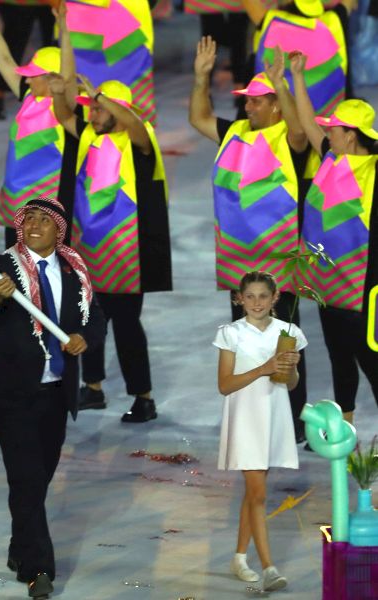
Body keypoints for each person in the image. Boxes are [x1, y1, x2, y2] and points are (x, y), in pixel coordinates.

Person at [0, 197, 104, 599]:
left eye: (43, 220)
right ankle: (38, 569)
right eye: (28, 218)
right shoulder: (4, 263)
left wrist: (85, 337)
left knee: (35, 481)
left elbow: (95, 318)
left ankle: (19, 545)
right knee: (27, 478)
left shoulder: (74, 269)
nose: (32, 224)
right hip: (10, 393)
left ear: (58, 231)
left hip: (55, 394)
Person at [190, 36, 311, 441]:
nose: (248, 105)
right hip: (240, 262)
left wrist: (282, 84)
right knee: (244, 341)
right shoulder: (236, 131)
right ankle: (254, 416)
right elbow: (198, 119)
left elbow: (298, 128)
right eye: (248, 99)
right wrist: (200, 78)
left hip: (279, 263)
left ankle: (291, 422)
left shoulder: (290, 141)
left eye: (257, 100)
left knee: (284, 344)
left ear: (276, 104)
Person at [51, 25, 171, 422]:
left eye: (99, 107)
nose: (93, 111)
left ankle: (144, 396)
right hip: (90, 250)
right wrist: (59, 87)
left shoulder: (139, 140)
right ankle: (94, 387)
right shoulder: (88, 135)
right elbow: (64, 112)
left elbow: (135, 125)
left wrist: (105, 97)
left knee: (126, 326)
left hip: (128, 253)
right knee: (88, 319)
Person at [287, 51, 378, 425]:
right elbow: (309, 124)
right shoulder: (330, 158)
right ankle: (346, 430)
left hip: (364, 290)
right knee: (340, 360)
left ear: (351, 134)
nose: (327, 133)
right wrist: (297, 78)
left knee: (372, 363)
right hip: (329, 285)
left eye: (335, 129)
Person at [214, 270, 305, 591]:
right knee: (259, 494)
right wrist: (263, 368)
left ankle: (239, 557)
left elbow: (291, 384)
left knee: (254, 493)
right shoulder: (230, 334)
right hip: (245, 420)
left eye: (263, 296)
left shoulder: (287, 332)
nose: (256, 302)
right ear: (239, 299)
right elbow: (225, 385)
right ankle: (268, 567)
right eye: (249, 296)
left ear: (275, 298)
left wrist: (289, 368)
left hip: (274, 417)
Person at [0, 0, 77, 248]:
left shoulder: (65, 108)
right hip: (17, 201)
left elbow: (68, 74)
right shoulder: (28, 96)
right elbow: (3, 58)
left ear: (52, 78)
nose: (27, 77)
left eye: (34, 73)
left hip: (48, 209)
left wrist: (64, 28)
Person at [241, 0, 355, 115]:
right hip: (325, 120)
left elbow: (250, 4)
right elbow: (348, 3)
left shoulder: (271, 22)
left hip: (281, 118)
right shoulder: (333, 21)